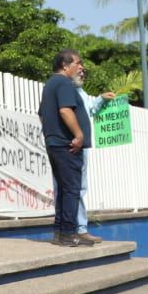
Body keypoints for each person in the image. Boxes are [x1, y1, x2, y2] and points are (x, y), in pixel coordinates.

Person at [40, 49, 95, 247]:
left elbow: (42, 115)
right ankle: (68, 233)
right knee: (71, 189)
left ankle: (59, 232)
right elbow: (65, 110)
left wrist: (51, 134)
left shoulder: (50, 84)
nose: (81, 67)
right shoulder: (64, 83)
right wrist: (78, 135)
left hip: (55, 143)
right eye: (77, 63)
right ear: (65, 65)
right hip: (67, 145)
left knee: (63, 189)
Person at [74, 66, 115, 245]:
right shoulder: (63, 90)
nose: (83, 73)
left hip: (81, 146)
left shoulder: (81, 92)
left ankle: (79, 228)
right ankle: (75, 229)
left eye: (84, 71)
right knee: (71, 188)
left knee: (80, 188)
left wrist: (102, 99)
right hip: (71, 146)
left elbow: (90, 108)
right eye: (79, 69)